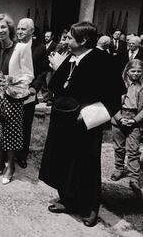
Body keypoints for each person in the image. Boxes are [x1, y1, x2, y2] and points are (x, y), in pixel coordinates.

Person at [39, 21, 124, 227]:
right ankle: (68, 199)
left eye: (69, 37)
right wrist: (59, 67)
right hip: (63, 122)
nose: (65, 40)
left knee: (86, 165)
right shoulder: (71, 57)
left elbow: (114, 96)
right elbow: (59, 85)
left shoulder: (102, 60)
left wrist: (87, 115)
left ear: (83, 40)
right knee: (64, 162)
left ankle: (90, 207)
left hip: (86, 124)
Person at [0, 13, 33, 184]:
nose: (0, 30)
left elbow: (28, 75)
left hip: (12, 98)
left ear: (9, 28)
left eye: (3, 27)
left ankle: (10, 167)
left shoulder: (21, 48)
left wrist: (13, 80)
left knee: (10, 133)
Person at [15, 18, 48, 169]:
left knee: (25, 125)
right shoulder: (12, 45)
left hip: (28, 93)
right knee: (9, 123)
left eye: (23, 29)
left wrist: (35, 87)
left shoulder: (40, 48)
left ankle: (21, 156)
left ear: (32, 31)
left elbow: (42, 71)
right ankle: (8, 153)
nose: (19, 31)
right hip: (11, 91)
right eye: (18, 28)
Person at [111, 59, 143, 197]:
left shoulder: (142, 86)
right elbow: (111, 102)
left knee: (133, 149)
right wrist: (119, 118)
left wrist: (135, 120)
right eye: (133, 71)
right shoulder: (119, 84)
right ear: (127, 71)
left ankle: (134, 177)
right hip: (120, 115)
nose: (135, 74)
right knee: (119, 146)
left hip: (135, 117)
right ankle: (119, 168)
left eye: (139, 71)